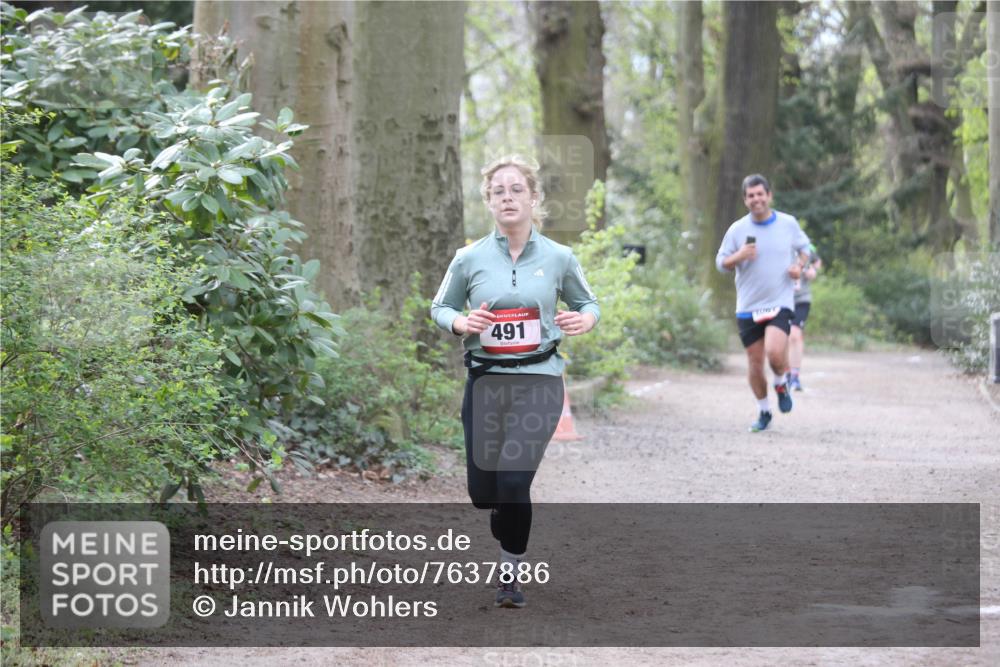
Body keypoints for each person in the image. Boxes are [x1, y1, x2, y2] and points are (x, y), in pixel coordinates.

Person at [430, 155, 600, 608]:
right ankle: (502, 509)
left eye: (516, 189)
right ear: (489, 201)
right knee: (483, 494)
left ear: (533, 197)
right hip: (486, 382)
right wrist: (461, 323)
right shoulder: (468, 258)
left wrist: (584, 319)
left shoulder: (559, 257)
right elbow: (440, 307)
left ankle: (509, 573)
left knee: (512, 481)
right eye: (498, 191)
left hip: (539, 381)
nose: (508, 197)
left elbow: (589, 303)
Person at [715, 174, 811, 432]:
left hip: (779, 302)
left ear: (769, 195)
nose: (756, 199)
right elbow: (721, 263)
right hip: (748, 306)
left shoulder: (788, 223)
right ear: (745, 200)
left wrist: (798, 266)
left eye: (760, 194)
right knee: (755, 364)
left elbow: (806, 249)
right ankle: (764, 411)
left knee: (775, 352)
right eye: (751, 196)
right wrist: (738, 256)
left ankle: (780, 383)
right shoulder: (737, 230)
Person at [789, 243, 821, 391]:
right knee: (783, 337)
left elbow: (816, 262)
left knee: (795, 335)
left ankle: (794, 376)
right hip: (782, 299)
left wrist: (811, 270)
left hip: (802, 300)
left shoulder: (805, 247)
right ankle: (785, 374)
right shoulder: (780, 246)